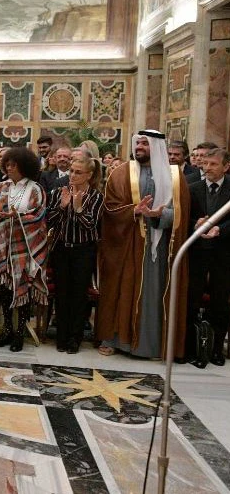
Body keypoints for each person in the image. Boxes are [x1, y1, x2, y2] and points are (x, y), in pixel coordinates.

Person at [96, 130, 190, 359]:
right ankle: (117, 340)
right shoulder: (121, 173)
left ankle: (153, 346)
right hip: (128, 245)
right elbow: (109, 208)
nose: (139, 147)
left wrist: (160, 215)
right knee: (123, 291)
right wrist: (133, 211)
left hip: (160, 248)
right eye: (137, 143)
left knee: (155, 295)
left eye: (145, 144)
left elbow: (183, 213)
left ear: (156, 147)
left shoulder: (175, 176)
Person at [0, 147, 49, 352]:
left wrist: (15, 216)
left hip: (25, 247)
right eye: (7, 165)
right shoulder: (1, 187)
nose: (9, 168)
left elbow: (38, 216)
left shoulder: (35, 189)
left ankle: (19, 332)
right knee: (5, 288)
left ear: (25, 167)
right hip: (4, 246)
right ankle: (7, 330)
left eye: (14, 165)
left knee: (23, 288)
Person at [46, 148, 104, 354]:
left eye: (78, 172)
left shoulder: (96, 197)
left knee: (79, 295)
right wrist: (62, 207)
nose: (72, 175)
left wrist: (78, 209)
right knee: (62, 294)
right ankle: (61, 337)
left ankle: (75, 338)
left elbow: (91, 226)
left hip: (83, 251)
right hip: (61, 249)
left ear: (89, 175)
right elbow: (49, 221)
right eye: (71, 171)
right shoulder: (58, 192)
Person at [185, 147, 230, 367]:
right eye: (205, 163)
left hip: (224, 255)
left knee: (220, 302)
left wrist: (220, 230)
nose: (208, 168)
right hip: (198, 254)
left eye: (213, 164)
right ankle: (191, 348)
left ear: (226, 166)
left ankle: (216, 350)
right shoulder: (192, 188)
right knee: (191, 300)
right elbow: (186, 217)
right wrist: (196, 224)